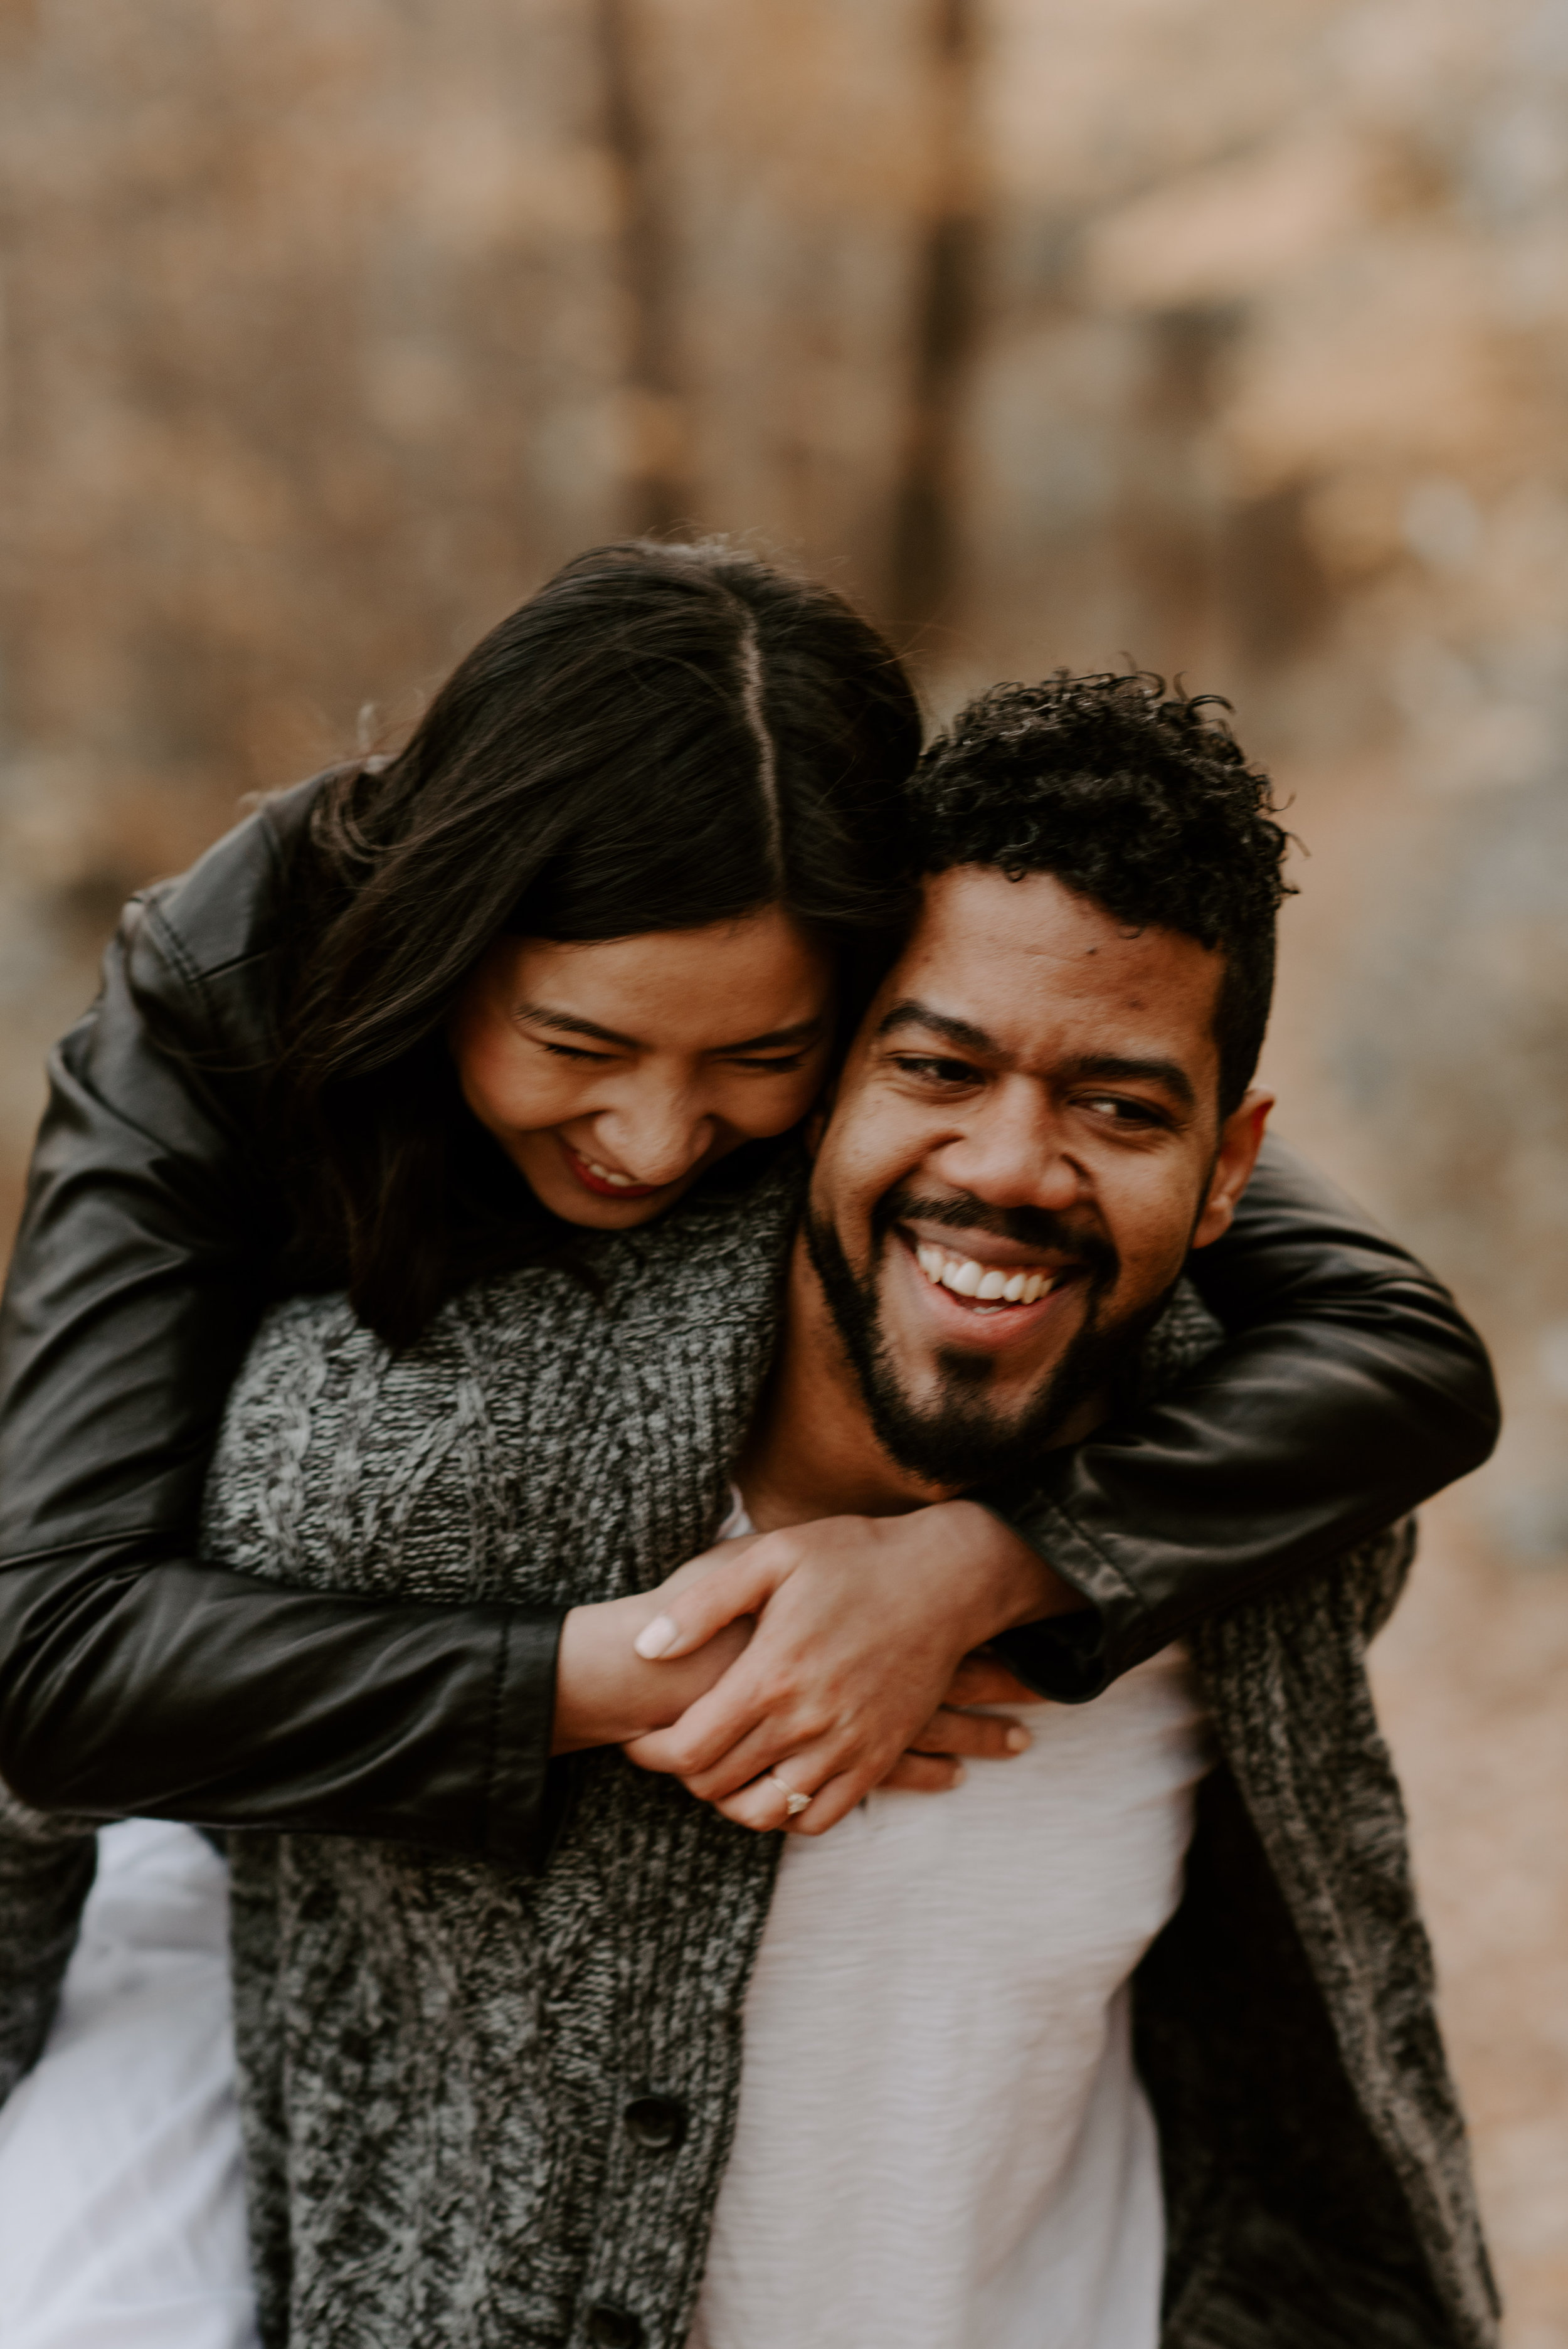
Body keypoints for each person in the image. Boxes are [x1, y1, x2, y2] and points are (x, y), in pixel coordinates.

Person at [107, 669, 1492, 2348]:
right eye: (938, 1067)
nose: (1009, 1166)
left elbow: (1298, 2058)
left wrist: (974, 1573)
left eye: (1120, 1108)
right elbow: (64, 1763)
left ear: (1226, 1169)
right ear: (817, 1074)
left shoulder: (1278, 1527)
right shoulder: (414, 1446)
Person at [0, 544, 1497, 1873]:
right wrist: (638, 1667)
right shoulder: (224, 987)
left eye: (760, 1056)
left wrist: (970, 1568)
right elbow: (47, 1657)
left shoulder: (952, 1068)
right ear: (448, 948)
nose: (652, 1142)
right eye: (575, 1046)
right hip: (175, 1830)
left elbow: (1395, 1350)